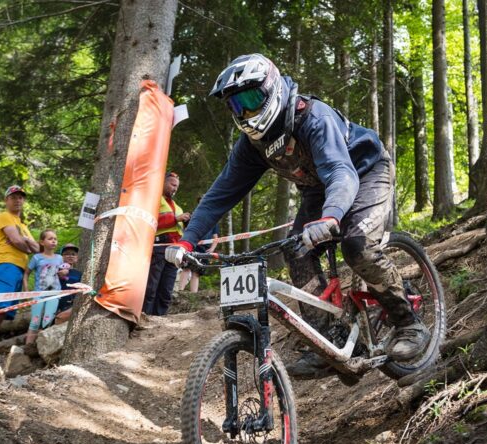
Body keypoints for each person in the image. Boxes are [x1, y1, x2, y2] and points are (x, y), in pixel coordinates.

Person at [165, 53, 430, 378]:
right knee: (296, 252)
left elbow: (339, 171)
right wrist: (187, 242)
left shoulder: (312, 117)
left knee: (357, 245)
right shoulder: (252, 146)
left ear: (272, 88)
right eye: (237, 105)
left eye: (251, 99)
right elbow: (220, 195)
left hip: (364, 172)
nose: (246, 112)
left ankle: (408, 324)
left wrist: (331, 216)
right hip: (320, 190)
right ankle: (329, 340)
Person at [0, 185, 40, 358]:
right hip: (5, 264)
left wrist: (26, 242)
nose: (18, 200)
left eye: (20, 197)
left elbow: (37, 247)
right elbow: (16, 240)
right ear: (7, 200)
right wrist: (26, 245)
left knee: (1, 311)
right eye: (13, 197)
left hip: (19, 269)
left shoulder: (23, 225)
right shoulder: (4, 216)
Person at [143, 172, 190, 316]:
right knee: (152, 286)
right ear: (163, 183)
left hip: (175, 250)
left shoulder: (177, 207)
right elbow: (151, 221)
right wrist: (176, 219)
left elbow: (180, 230)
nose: (175, 188)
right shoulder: (154, 200)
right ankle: (146, 315)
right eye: (172, 185)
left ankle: (160, 318)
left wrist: (187, 222)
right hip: (159, 247)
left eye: (177, 186)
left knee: (167, 288)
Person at [24, 229, 64, 345]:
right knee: (35, 321)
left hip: (54, 294)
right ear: (42, 242)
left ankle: (43, 347)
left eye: (55, 239)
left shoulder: (59, 258)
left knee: (48, 320)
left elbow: (63, 273)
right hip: (39, 294)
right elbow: (26, 273)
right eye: (50, 239)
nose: (53, 241)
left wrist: (64, 273)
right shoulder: (37, 258)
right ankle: (28, 346)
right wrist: (26, 292)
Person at [176, 198, 220, 293]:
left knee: (197, 272)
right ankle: (180, 292)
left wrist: (212, 249)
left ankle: (193, 294)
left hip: (204, 250)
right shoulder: (192, 216)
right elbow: (184, 229)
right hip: (191, 246)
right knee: (186, 268)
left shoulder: (214, 219)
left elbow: (216, 237)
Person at [55, 243, 82, 324]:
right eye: (66, 254)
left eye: (73, 254)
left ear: (77, 257)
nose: (70, 256)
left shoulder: (79, 273)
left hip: (72, 304)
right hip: (56, 303)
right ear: (61, 257)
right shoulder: (56, 269)